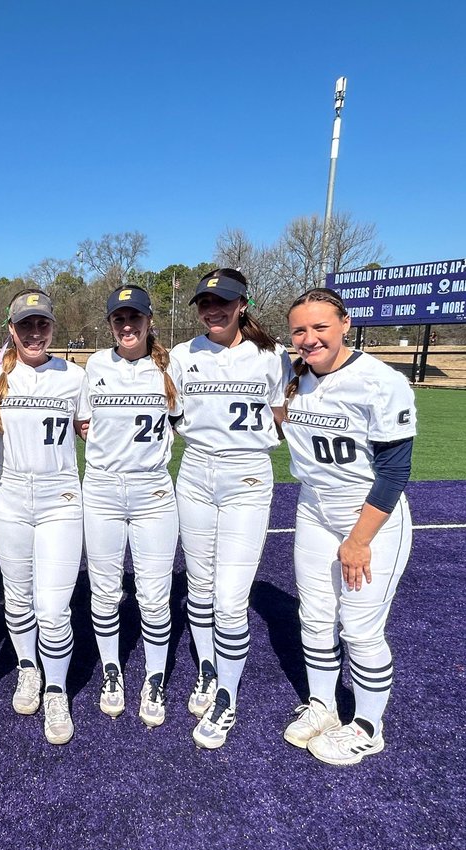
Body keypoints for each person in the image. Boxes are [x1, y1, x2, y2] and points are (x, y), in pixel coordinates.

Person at [282, 287, 416, 766]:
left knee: (359, 628)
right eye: (300, 329)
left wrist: (359, 542)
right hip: (313, 507)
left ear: (345, 324)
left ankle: (367, 725)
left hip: (368, 516)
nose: (309, 337)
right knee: (314, 616)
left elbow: (396, 472)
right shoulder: (292, 372)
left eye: (320, 326)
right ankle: (323, 705)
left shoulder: (380, 381)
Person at [170, 268, 289, 751]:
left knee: (230, 598)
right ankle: (206, 668)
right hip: (195, 472)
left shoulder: (273, 356)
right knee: (198, 586)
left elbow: (282, 416)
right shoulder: (182, 355)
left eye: (223, 301)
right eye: (205, 302)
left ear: (243, 303)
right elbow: (172, 414)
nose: (212, 310)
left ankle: (227, 695)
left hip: (246, 475)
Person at [0, 290, 90, 745]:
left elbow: (90, 433)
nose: (33, 333)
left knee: (53, 607)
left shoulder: (75, 377)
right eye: (24, 325)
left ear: (52, 328)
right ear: (11, 329)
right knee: (18, 597)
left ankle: (55, 688)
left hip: (60, 498)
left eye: (41, 324)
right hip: (9, 495)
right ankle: (28, 668)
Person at [82, 285, 182, 727]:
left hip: (153, 490)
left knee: (155, 594)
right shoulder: (95, 366)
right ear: (110, 324)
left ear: (148, 321)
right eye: (119, 319)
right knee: (104, 591)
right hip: (102, 489)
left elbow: (183, 420)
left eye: (135, 317)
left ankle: (156, 677)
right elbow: (83, 422)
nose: (127, 325)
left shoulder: (170, 365)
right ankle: (111, 670)